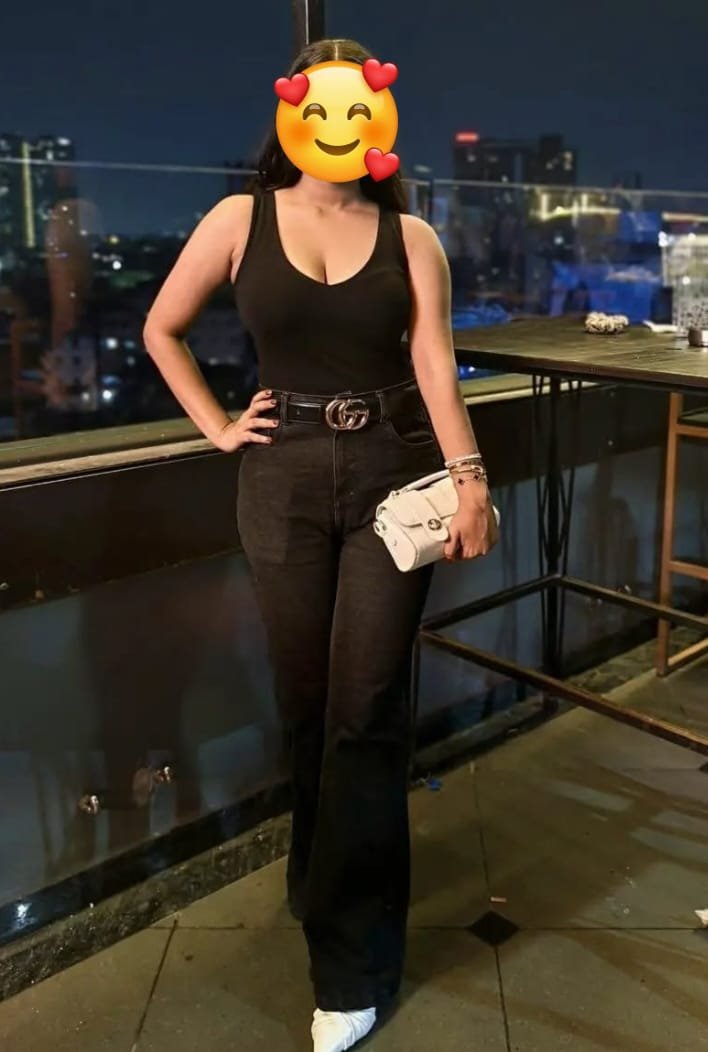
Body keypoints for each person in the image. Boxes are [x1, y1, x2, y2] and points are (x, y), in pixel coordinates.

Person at [143, 36, 497, 1052]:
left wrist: (471, 479)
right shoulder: (238, 219)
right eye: (321, 108)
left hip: (393, 469)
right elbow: (163, 328)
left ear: (379, 119)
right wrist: (218, 426)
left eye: (359, 109)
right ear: (292, 114)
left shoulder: (411, 236)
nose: (339, 127)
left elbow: (434, 364)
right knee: (307, 705)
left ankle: (353, 966)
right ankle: (319, 877)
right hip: (282, 476)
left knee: (366, 711)